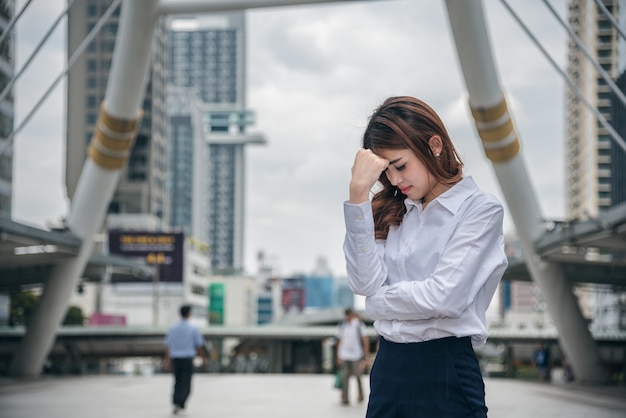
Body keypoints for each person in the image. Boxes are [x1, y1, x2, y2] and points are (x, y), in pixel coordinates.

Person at [343, 96, 508, 417]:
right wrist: (358, 196)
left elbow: (444, 298)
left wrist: (379, 304)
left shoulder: (479, 210)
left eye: (400, 166)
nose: (394, 181)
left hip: (445, 371)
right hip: (388, 368)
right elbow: (364, 283)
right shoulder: (390, 212)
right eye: (386, 172)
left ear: (434, 145)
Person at [164, 304, 207, 415]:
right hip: (187, 358)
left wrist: (167, 360)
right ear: (189, 314)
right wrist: (202, 358)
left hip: (176, 358)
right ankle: (181, 404)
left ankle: (176, 403)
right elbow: (199, 346)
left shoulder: (172, 328)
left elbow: (169, 345)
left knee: (177, 381)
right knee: (186, 382)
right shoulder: (193, 328)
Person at [336, 308, 370, 405]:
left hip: (356, 355)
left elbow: (365, 339)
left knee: (358, 376)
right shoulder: (342, 325)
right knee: (345, 376)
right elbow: (339, 340)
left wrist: (365, 354)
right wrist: (338, 356)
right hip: (344, 354)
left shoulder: (359, 325)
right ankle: (345, 397)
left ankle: (360, 395)